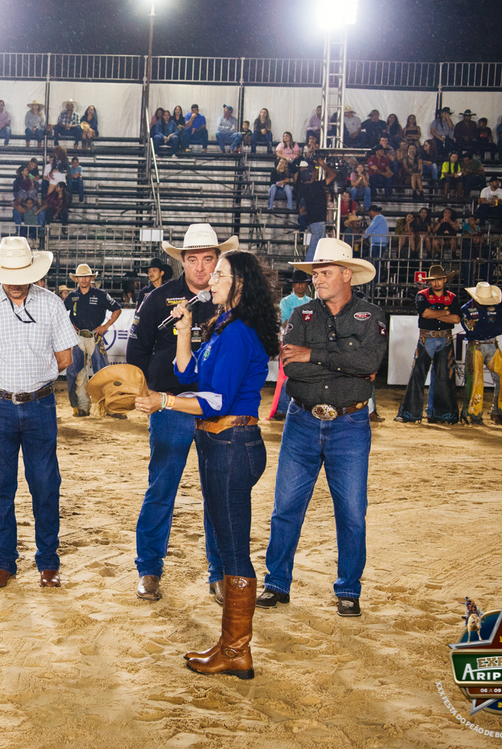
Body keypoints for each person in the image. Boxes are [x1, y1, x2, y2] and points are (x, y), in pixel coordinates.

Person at [133, 249, 277, 678]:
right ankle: (232, 647)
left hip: (232, 443)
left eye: (220, 274)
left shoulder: (237, 334)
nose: (210, 279)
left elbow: (216, 401)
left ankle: (236, 650)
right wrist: (184, 331)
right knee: (230, 542)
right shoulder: (223, 326)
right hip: (222, 442)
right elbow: (189, 372)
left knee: (233, 550)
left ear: (240, 285)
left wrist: (164, 401)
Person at [260, 238, 387, 618]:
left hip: (349, 424)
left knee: (351, 512)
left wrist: (314, 355)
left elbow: (370, 362)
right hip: (302, 420)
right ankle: (276, 583)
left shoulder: (372, 315)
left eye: (325, 272)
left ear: (347, 275)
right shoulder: (301, 314)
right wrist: (348, 365)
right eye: (315, 273)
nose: (317, 279)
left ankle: (348, 589)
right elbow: (291, 368)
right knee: (285, 507)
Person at [0, 237, 78, 588]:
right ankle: (4, 561)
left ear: (33, 272)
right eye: (8, 274)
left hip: (40, 404)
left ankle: (48, 561)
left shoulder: (52, 304)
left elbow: (65, 358)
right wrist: (1, 383)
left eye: (20, 274)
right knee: (1, 485)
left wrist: (32, 379)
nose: (14, 281)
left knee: (45, 484)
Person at [128, 223, 237, 603]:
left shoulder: (228, 299)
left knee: (218, 493)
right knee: (161, 488)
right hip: (170, 405)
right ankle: (149, 569)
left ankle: (219, 572)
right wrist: (147, 394)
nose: (201, 267)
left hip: (217, 409)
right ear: (183, 261)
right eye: (193, 259)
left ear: (217, 260)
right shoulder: (158, 299)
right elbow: (136, 351)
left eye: (208, 259)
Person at [395, 265, 462, 424]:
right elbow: (425, 313)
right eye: (433, 280)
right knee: (419, 375)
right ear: (430, 282)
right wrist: (446, 312)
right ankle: (436, 414)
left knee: (442, 377)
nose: (436, 283)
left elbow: (456, 319)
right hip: (432, 338)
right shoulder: (422, 295)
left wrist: (435, 315)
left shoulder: (450, 297)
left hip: (439, 338)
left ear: (444, 280)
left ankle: (418, 414)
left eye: (439, 280)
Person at [63, 264, 121, 418]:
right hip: (77, 338)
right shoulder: (72, 296)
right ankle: (82, 407)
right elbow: (60, 313)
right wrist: (69, 325)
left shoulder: (101, 295)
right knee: (78, 373)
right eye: (80, 277)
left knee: (103, 373)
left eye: (86, 276)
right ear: (76, 279)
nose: (83, 280)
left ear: (90, 278)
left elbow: (117, 309)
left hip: (95, 337)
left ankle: (109, 407)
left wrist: (106, 326)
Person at [459, 282, 502, 426]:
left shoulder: (471, 309)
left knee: (501, 377)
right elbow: (473, 330)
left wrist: (480, 328)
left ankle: (494, 412)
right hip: (480, 346)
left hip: (487, 345)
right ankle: (476, 414)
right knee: (476, 381)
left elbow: (500, 329)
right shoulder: (466, 309)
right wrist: (489, 329)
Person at [268, 269, 313, 420]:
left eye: (303, 283)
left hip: (307, 344)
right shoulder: (285, 302)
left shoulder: (312, 302)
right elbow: (286, 323)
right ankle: (282, 408)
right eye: (297, 283)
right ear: (293, 285)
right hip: (290, 343)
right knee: (287, 375)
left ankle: (296, 407)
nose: (300, 286)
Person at [297, 160, 336, 261]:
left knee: (320, 246)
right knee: (314, 247)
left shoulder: (304, 188)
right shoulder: (317, 185)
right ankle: (308, 265)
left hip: (313, 221)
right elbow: (332, 175)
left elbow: (302, 210)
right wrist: (323, 165)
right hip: (318, 222)